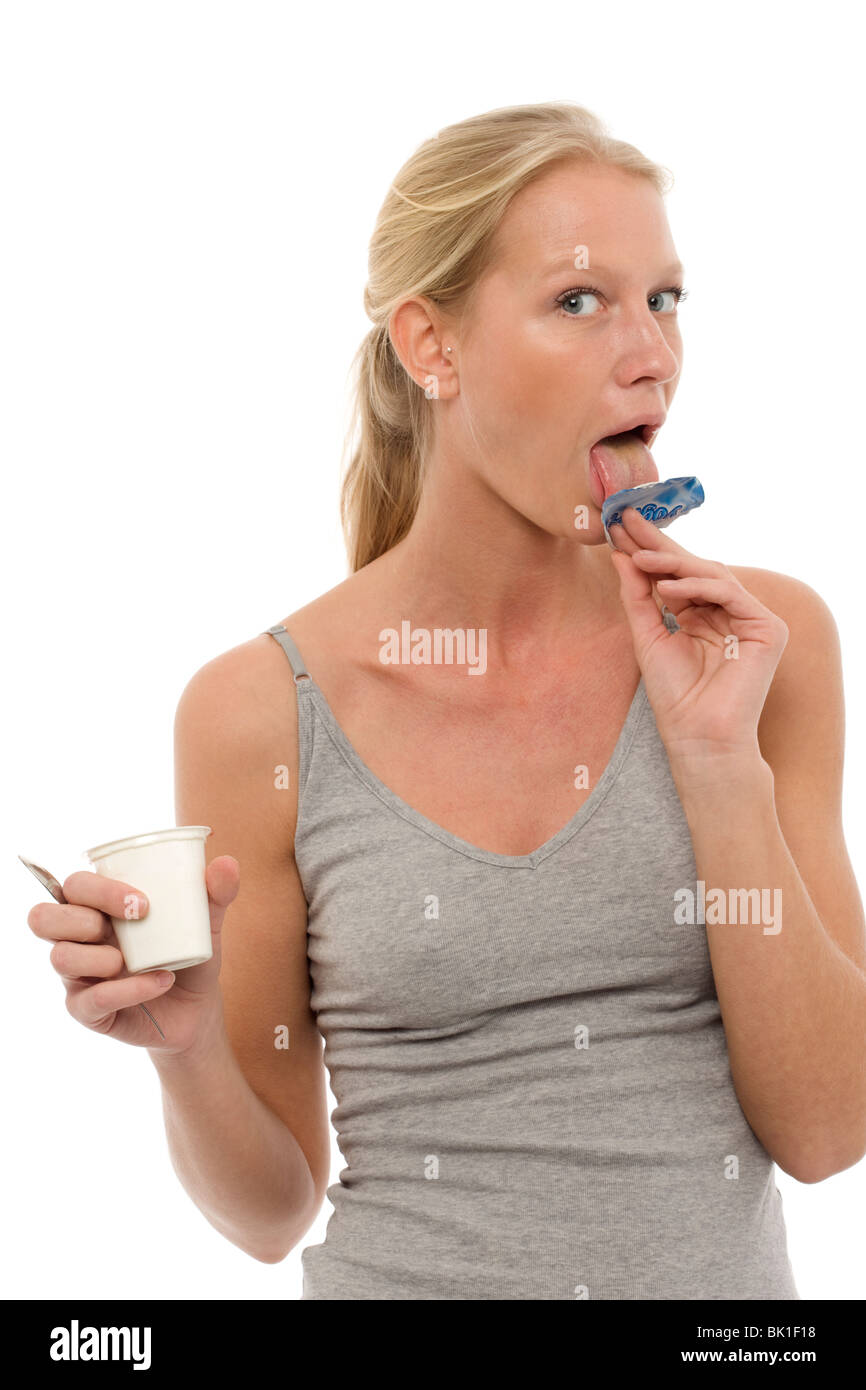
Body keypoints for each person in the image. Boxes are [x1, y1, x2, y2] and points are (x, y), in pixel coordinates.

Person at [28, 101, 866, 1300]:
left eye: (663, 299)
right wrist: (190, 1048)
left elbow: (828, 1133)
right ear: (431, 345)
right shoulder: (259, 711)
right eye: (579, 302)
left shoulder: (760, 647)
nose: (650, 355)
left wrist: (716, 756)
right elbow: (269, 1215)